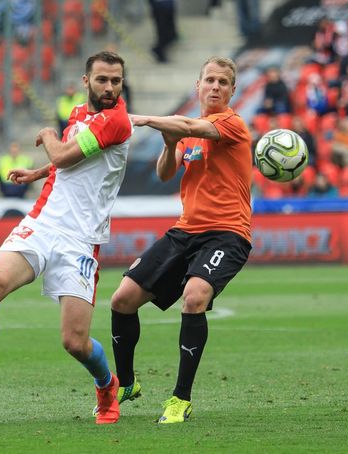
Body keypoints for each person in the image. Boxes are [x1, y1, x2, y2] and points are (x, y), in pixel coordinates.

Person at [0, 51, 133, 425]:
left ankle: (107, 385)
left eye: (116, 81)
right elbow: (70, 159)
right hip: (43, 221)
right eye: (103, 79)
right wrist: (37, 172)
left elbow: (64, 154)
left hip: (80, 239)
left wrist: (46, 137)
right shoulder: (79, 114)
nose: (110, 87)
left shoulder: (117, 121)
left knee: (74, 342)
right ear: (86, 81)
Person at [109, 56, 252, 424]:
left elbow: (191, 124)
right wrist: (170, 141)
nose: (216, 87)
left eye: (223, 82)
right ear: (198, 86)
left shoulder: (230, 124)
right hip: (185, 230)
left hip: (227, 233)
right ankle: (126, 383)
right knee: (122, 300)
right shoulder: (188, 130)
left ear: (233, 91)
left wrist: (143, 119)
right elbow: (164, 171)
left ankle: (180, 399)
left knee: (195, 296)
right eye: (210, 80)